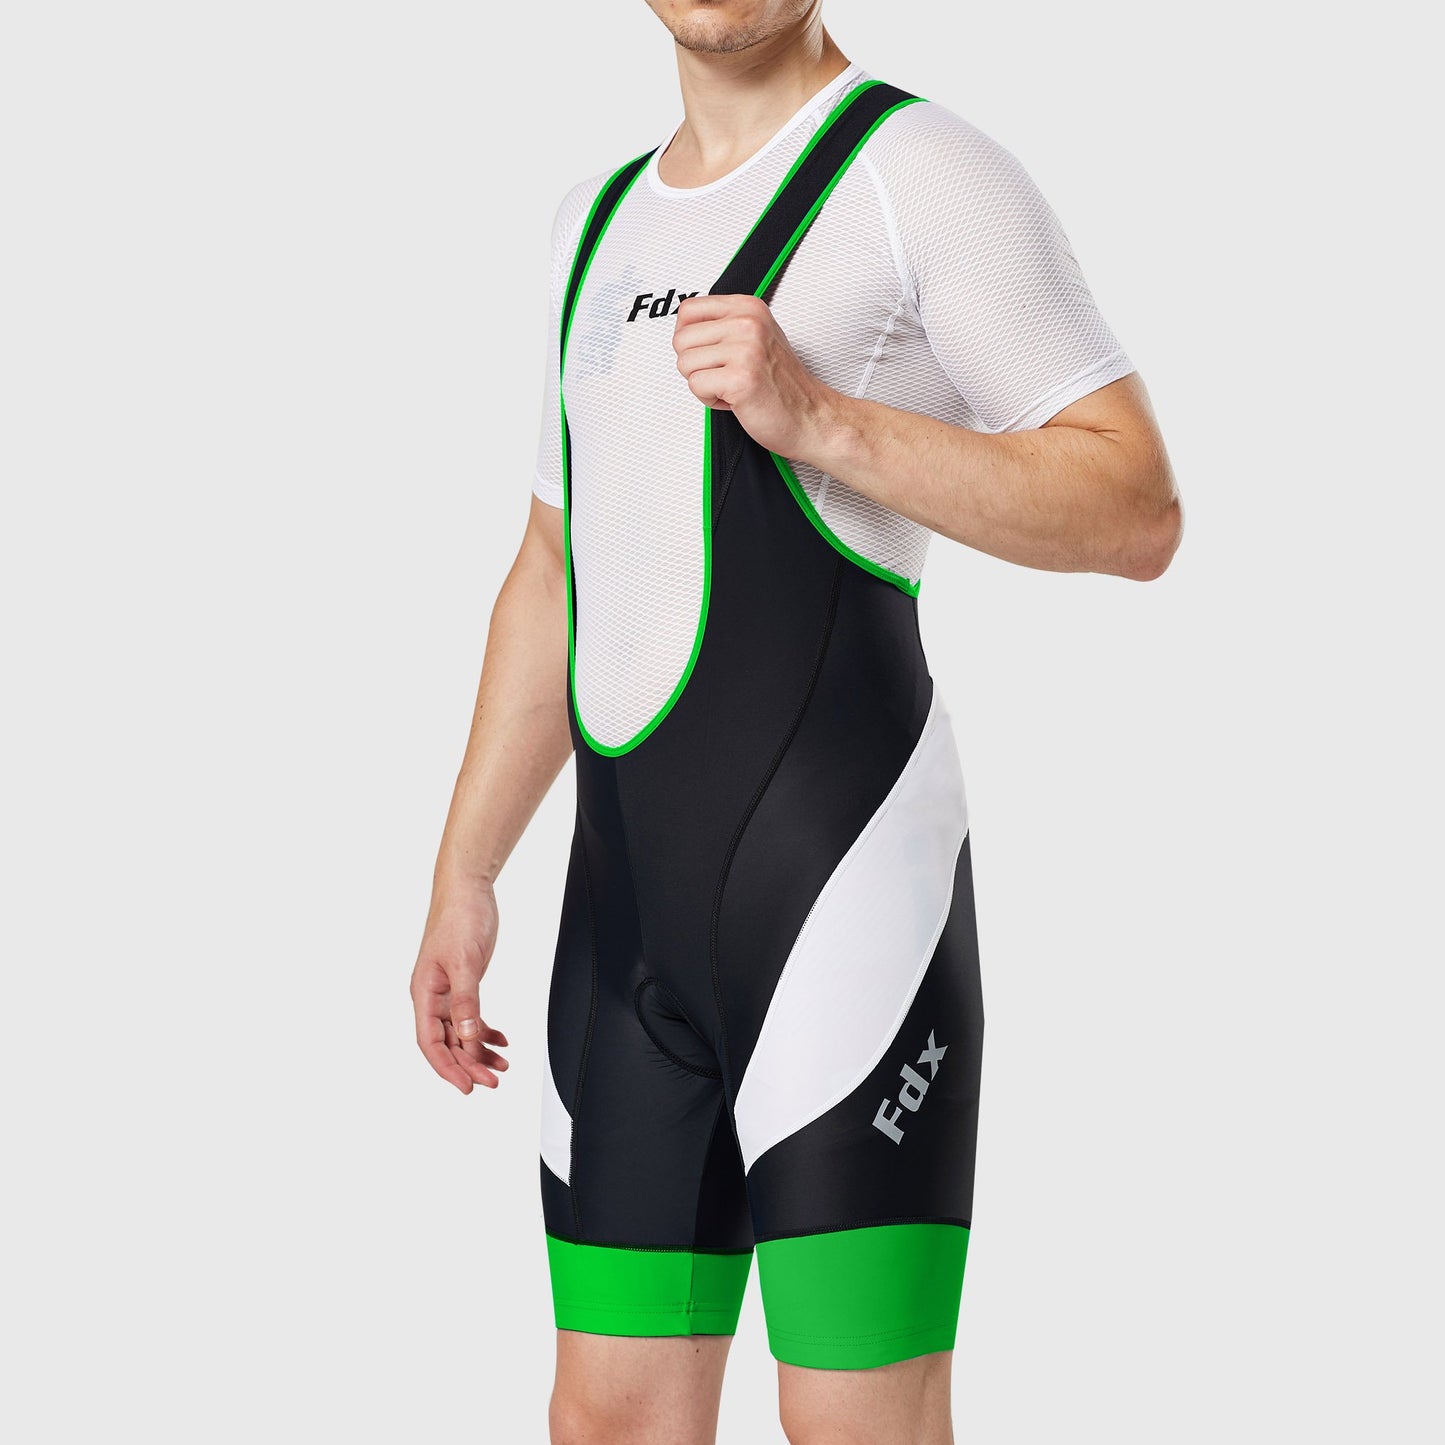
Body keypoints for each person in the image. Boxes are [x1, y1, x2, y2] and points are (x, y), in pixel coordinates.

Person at [409, 2, 1182, 1440]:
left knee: (855, 1420)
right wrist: (467, 870)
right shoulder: (597, 224)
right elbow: (557, 562)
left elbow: (1135, 506)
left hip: (840, 909)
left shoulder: (919, 171)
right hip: (622, 933)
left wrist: (820, 418)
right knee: (607, 1419)